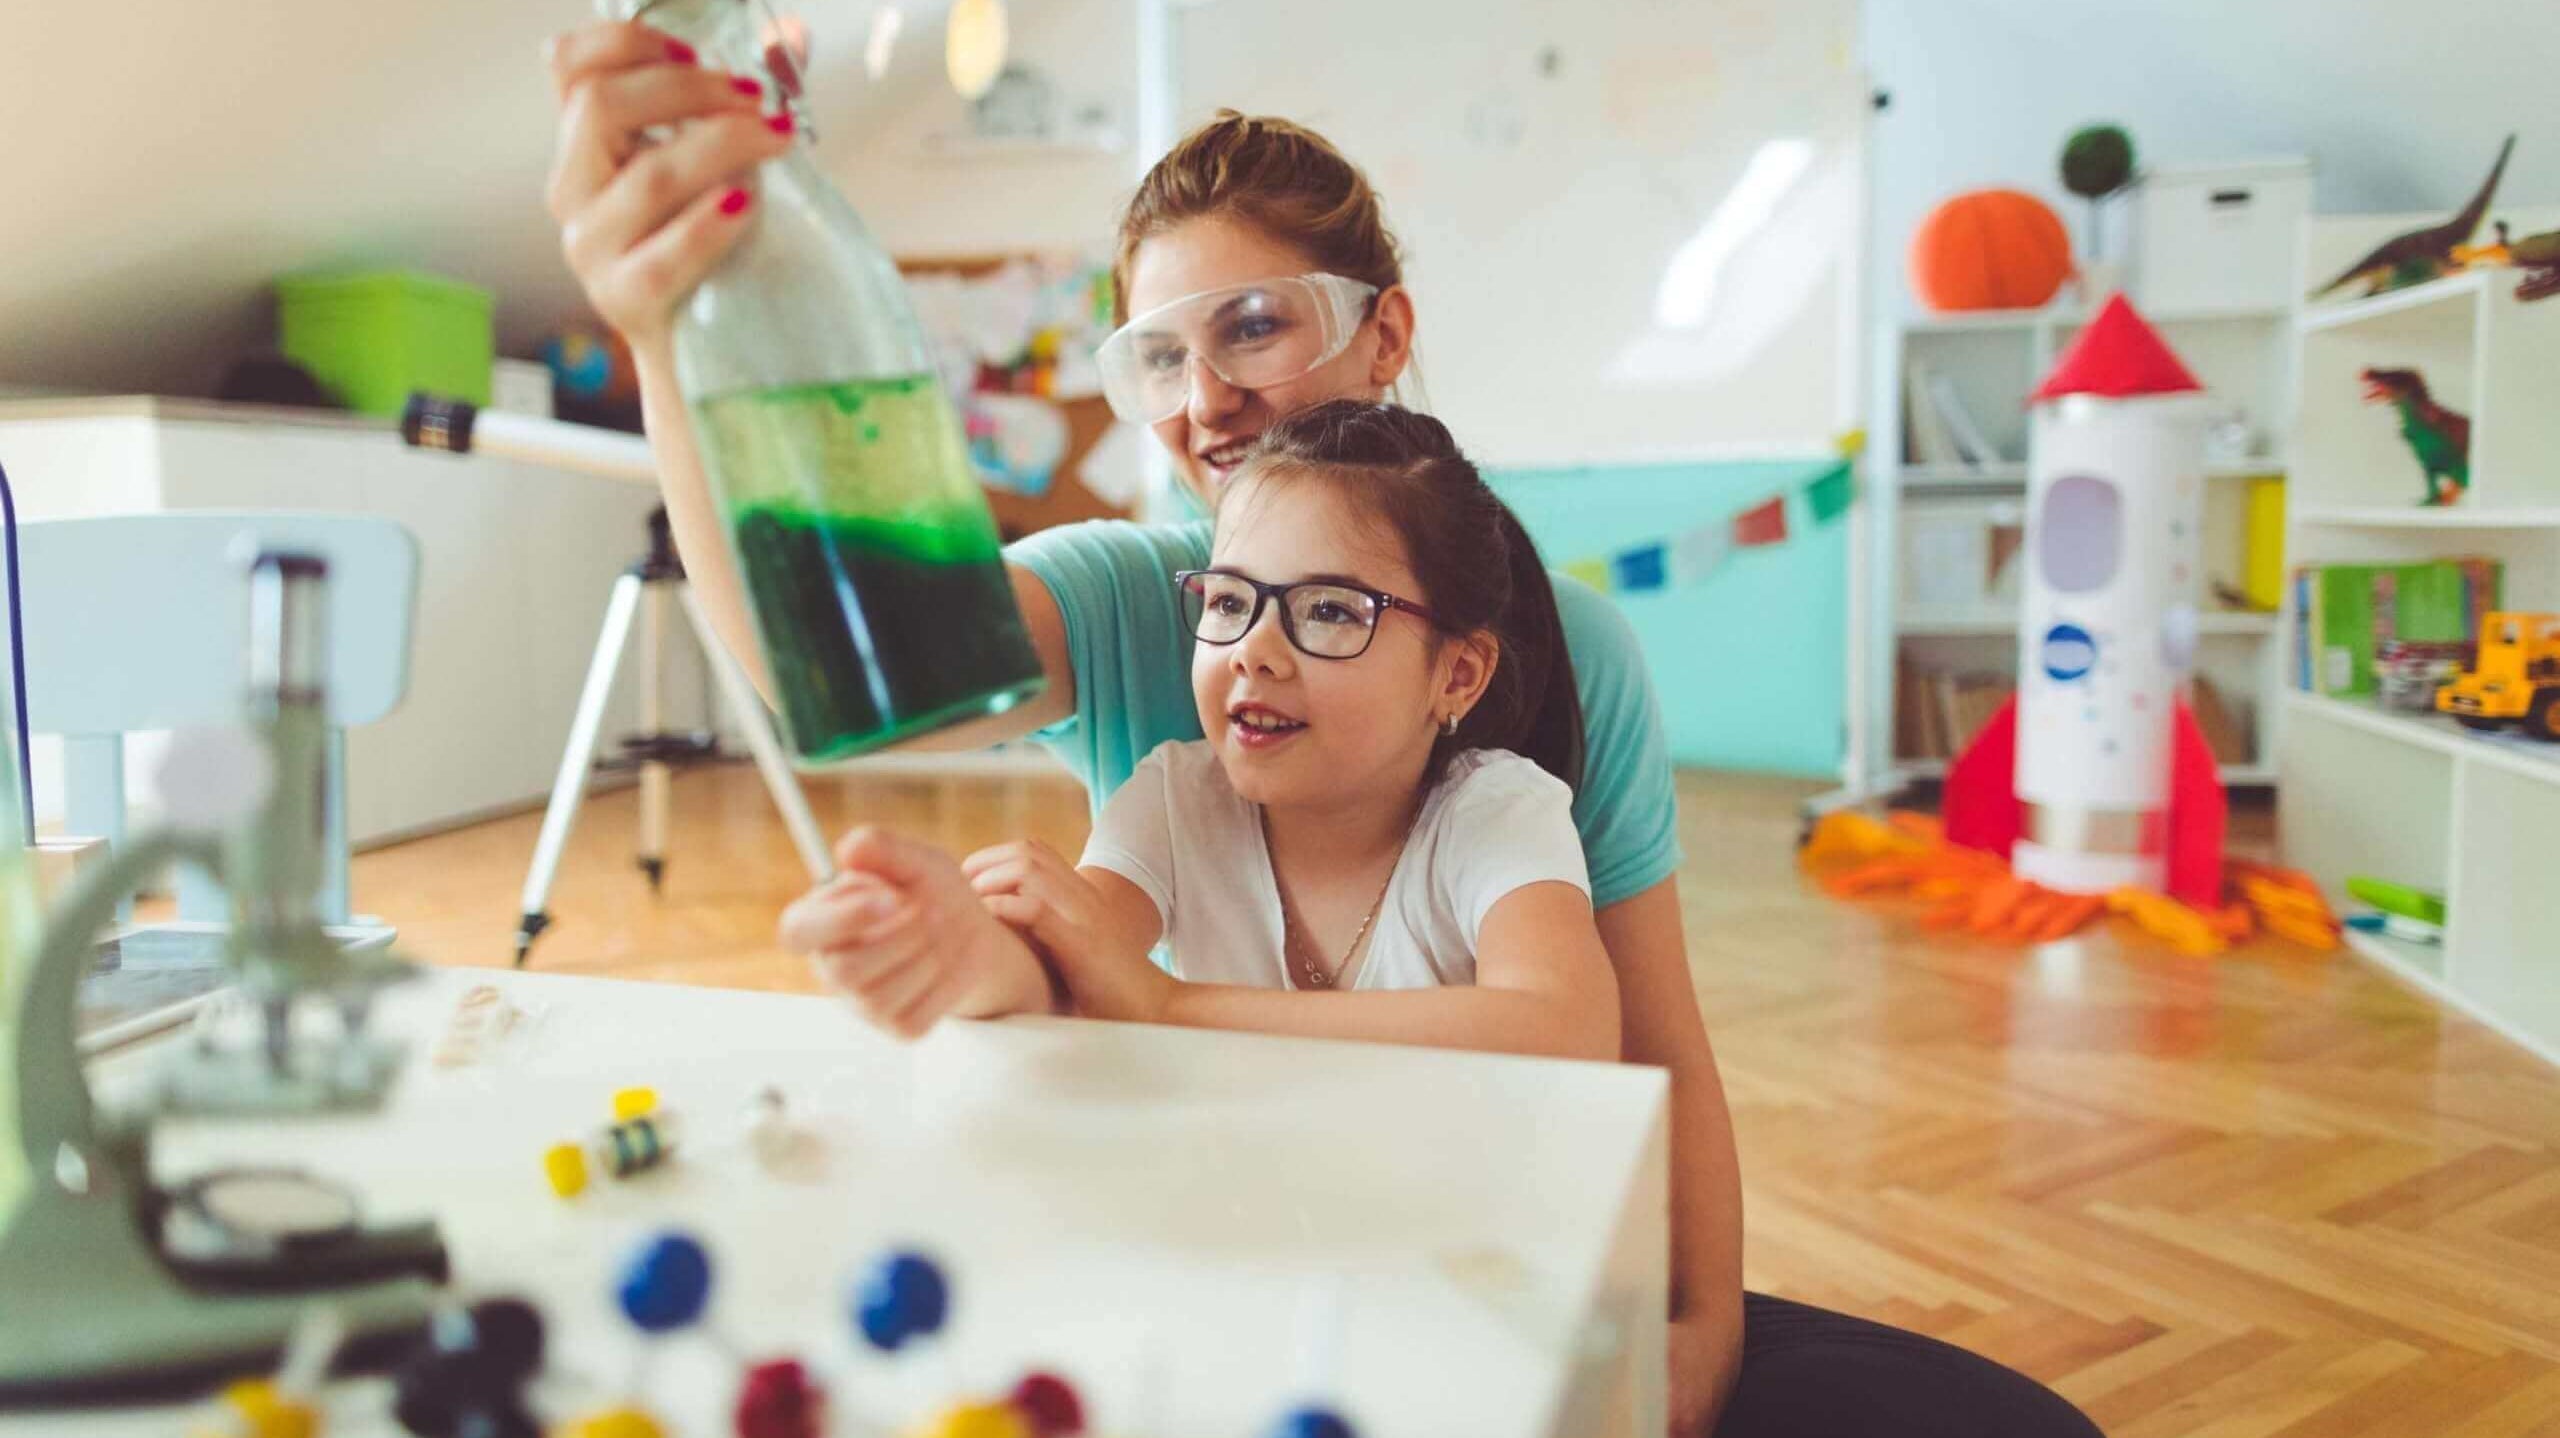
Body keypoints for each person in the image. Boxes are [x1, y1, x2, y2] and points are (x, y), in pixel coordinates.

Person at [542, 28, 2100, 1436]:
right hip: (1206, 1253)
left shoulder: (1554, 673)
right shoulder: (1150, 616)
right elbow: (836, 670)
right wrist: (675, 331)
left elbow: (1648, 1039)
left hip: (1475, 1239)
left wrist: (1693, 1329)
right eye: (1158, 354)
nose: (1201, 398)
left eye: (1250, 330)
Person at [809, 400, 1622, 1066]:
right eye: (1231, 601)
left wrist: (1168, 1005)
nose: (1254, 653)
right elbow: (1058, 975)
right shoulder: (1175, 798)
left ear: (1457, 677)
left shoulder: (1495, 812)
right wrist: (955, 948)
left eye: (1331, 610)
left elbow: (1565, 1030)